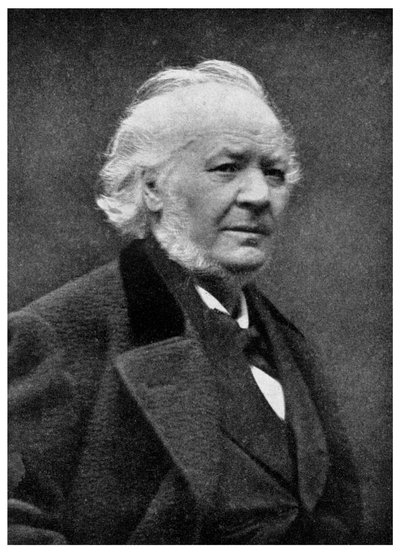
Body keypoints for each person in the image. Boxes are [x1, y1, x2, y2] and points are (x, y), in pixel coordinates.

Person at [8, 60, 362, 544]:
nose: (259, 195)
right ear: (153, 188)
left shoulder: (288, 343)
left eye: (275, 173)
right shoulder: (57, 331)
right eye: (227, 168)